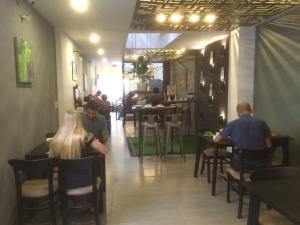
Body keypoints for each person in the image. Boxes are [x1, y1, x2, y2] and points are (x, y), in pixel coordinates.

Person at [49, 110, 108, 189]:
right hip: (85, 179)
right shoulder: (86, 136)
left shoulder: (56, 139)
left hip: (63, 181)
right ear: (78, 120)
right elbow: (104, 150)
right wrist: (95, 142)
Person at [214, 101, 271, 170]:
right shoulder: (262, 123)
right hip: (260, 164)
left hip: (241, 165)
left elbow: (216, 140)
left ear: (238, 113)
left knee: (235, 156)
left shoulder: (233, 124)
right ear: (251, 111)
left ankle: (234, 177)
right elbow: (269, 145)